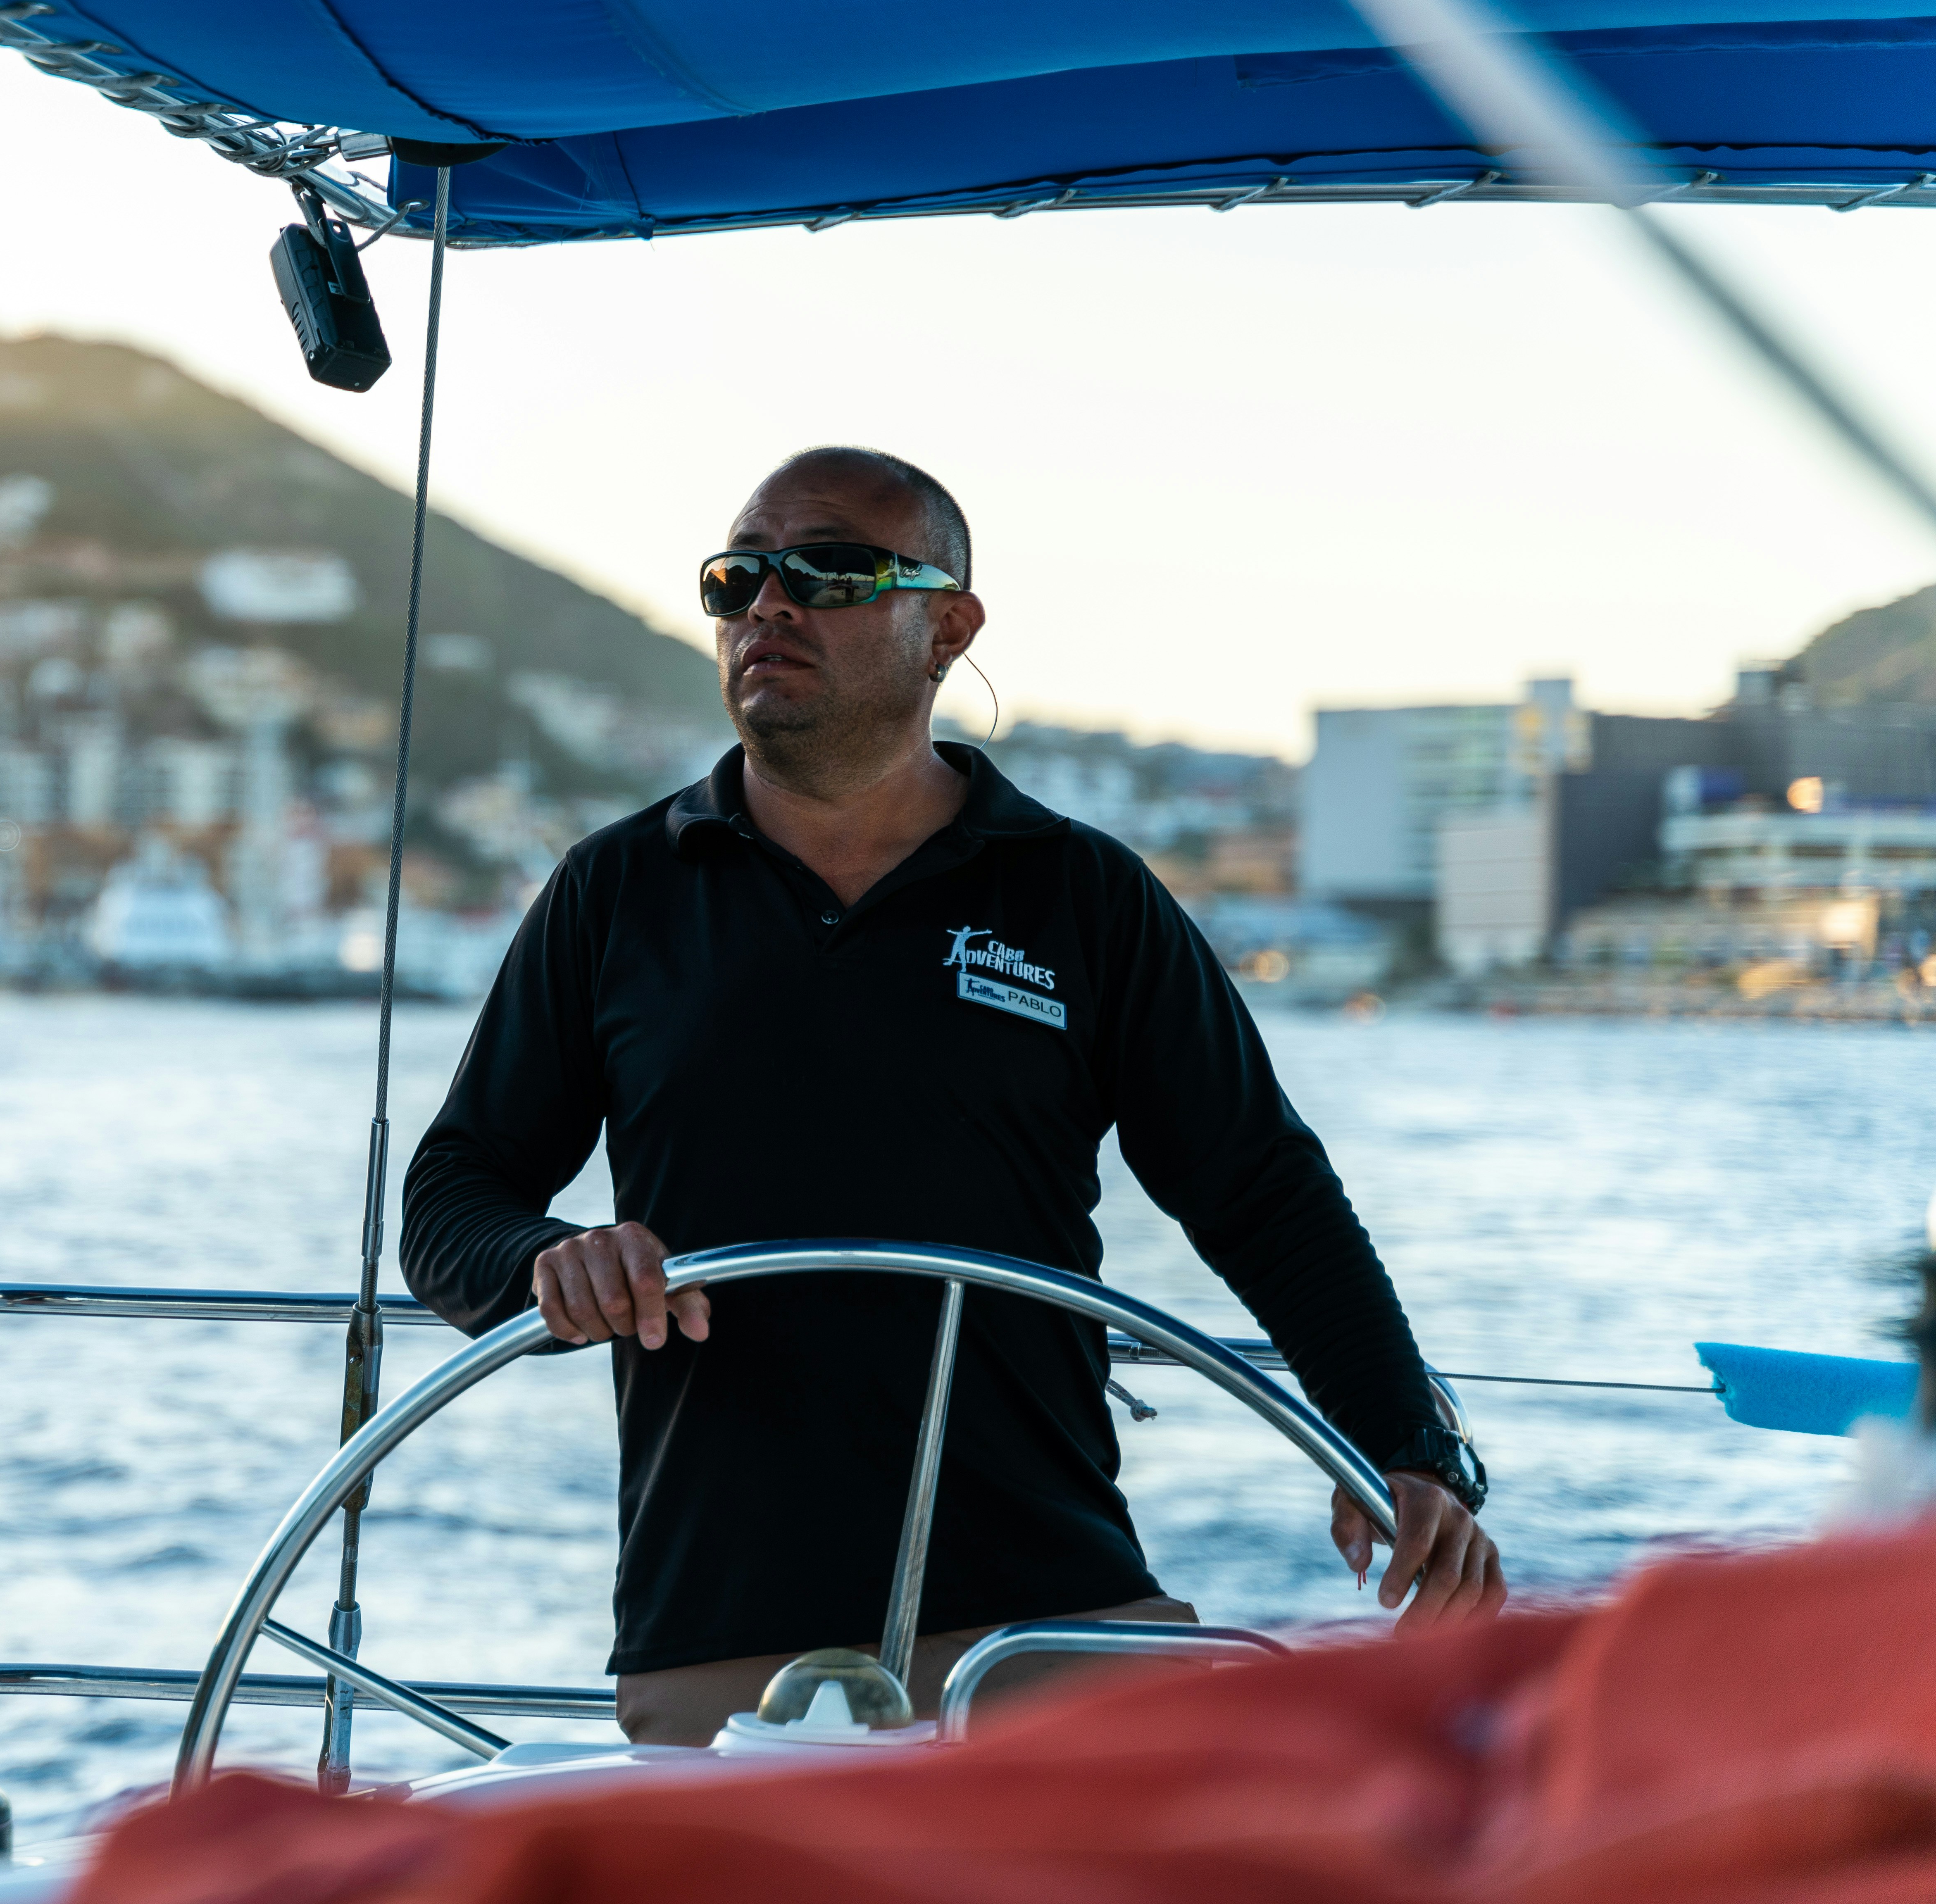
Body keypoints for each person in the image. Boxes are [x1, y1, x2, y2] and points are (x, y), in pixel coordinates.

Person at [399, 447, 1501, 1745]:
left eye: (830, 572)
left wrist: (1403, 1447)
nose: (770, 606)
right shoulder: (618, 891)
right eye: (737, 577)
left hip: (1049, 1606)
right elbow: (449, 1200)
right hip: (724, 1628)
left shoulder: (1082, 898)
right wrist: (551, 1260)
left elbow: (1261, 1190)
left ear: (950, 628)